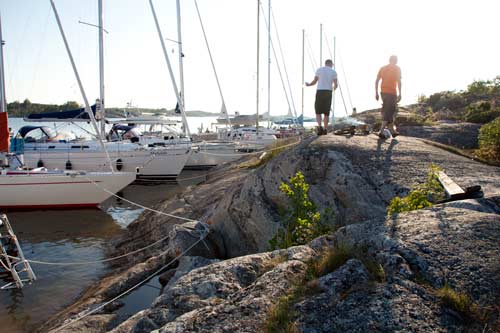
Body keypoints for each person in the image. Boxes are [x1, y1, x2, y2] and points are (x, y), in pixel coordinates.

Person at [306, 59, 338, 135]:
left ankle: (320, 127)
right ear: (330, 64)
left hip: (320, 91)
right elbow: (335, 84)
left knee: (318, 111)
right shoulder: (334, 72)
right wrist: (333, 89)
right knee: (326, 112)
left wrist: (308, 84)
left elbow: (314, 81)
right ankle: (325, 129)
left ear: (325, 63)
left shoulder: (319, 70)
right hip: (328, 92)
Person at [375, 55, 402, 138]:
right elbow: (399, 81)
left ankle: (393, 132)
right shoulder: (397, 68)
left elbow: (377, 81)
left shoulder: (382, 68)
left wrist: (376, 92)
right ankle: (381, 131)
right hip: (391, 93)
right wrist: (400, 93)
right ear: (396, 61)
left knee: (388, 111)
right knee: (389, 112)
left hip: (383, 93)